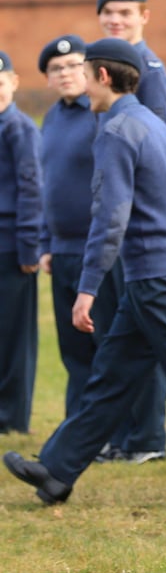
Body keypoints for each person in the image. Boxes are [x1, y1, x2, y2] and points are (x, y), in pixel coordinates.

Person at [2, 38, 166, 510]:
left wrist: (86, 289)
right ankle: (59, 468)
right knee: (112, 375)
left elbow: (108, 217)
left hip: (150, 275)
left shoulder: (115, 130)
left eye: (85, 74)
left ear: (103, 77)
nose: (81, 84)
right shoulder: (152, 123)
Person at [94, 0, 166, 463]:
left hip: (137, 225)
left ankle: (146, 437)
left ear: (144, 16)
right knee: (112, 329)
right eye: (109, 13)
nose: (117, 20)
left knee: (141, 328)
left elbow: (160, 150)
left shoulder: (150, 72)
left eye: (126, 13)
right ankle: (122, 433)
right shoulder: (101, 65)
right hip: (110, 219)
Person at [37, 34, 122, 419]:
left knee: (106, 343)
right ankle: (76, 428)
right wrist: (45, 242)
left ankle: (115, 431)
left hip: (98, 250)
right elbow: (45, 184)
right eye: (57, 68)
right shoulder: (52, 118)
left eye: (74, 65)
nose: (66, 73)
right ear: (48, 79)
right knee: (73, 350)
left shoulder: (101, 112)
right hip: (63, 250)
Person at [0, 50, 42, 434]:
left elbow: (32, 188)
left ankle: (12, 418)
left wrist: (30, 247)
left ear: (13, 82)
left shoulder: (19, 128)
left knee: (14, 336)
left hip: (12, 247)